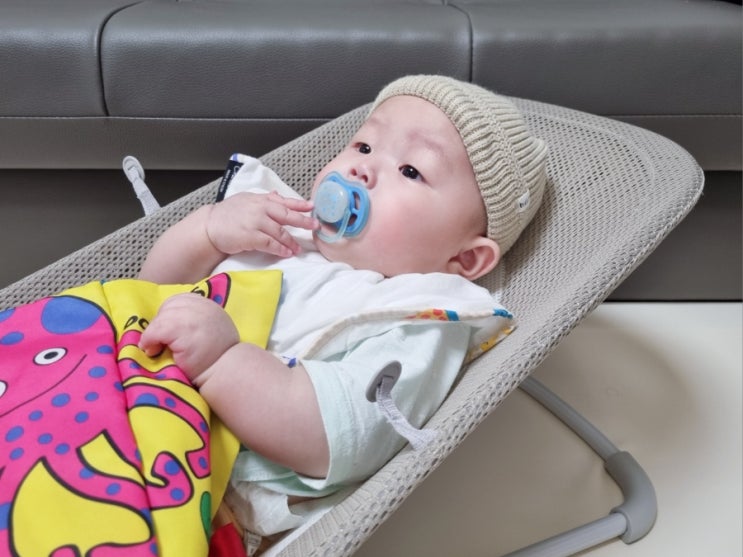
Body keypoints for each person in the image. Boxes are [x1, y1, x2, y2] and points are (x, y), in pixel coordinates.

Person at [137, 74, 548, 535]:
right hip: (110, 384)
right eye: (364, 146)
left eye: (411, 171)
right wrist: (208, 230)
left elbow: (342, 437)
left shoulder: (415, 317)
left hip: (177, 489)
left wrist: (221, 362)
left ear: (464, 259)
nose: (361, 170)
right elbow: (146, 293)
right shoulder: (274, 227)